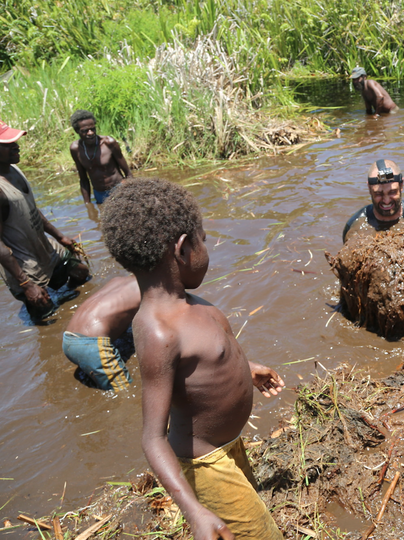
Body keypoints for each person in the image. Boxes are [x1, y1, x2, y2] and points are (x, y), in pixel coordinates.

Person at [101, 178, 285, 540]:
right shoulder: (158, 332)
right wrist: (193, 511)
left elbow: (203, 364)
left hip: (228, 446)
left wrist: (247, 370)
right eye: (204, 239)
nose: (207, 247)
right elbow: (153, 439)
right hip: (206, 463)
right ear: (184, 249)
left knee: (252, 519)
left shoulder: (191, 304)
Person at [0, 119, 90, 321]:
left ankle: (61, 294)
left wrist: (60, 237)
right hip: (23, 266)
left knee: (81, 272)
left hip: (44, 249)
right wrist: (26, 284)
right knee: (47, 318)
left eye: (15, 141)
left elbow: (31, 210)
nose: (16, 146)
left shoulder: (13, 169)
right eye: (8, 144)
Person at [63, 276, 140, 392]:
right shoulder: (149, 290)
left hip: (69, 338)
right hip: (92, 345)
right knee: (124, 391)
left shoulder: (117, 280)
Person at [342, 159, 404, 243]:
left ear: (401, 185)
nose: (386, 201)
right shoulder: (355, 226)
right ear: (369, 188)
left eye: (392, 192)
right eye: (378, 194)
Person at [69, 110, 132, 204]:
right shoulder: (76, 149)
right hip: (99, 194)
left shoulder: (109, 143)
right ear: (77, 131)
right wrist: (88, 204)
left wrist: (127, 192)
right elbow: (83, 180)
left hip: (118, 190)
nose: (90, 133)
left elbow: (128, 174)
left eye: (93, 129)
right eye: (85, 131)